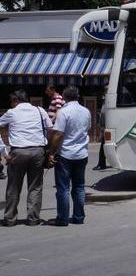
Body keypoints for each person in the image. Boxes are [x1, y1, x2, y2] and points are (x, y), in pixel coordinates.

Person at [0, 89, 53, 226]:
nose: (11, 104)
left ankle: (10, 218)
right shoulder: (40, 110)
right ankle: (33, 218)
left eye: (11, 102)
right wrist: (46, 147)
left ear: (15, 100)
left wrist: (3, 151)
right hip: (37, 151)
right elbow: (51, 129)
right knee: (35, 186)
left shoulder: (11, 113)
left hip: (18, 152)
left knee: (13, 187)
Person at [47, 86, 90, 226]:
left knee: (63, 188)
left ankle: (63, 218)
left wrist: (51, 152)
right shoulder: (86, 111)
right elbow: (87, 129)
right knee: (79, 187)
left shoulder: (64, 112)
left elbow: (58, 134)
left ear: (64, 97)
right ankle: (78, 217)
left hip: (65, 154)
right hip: (82, 154)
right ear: (77, 96)